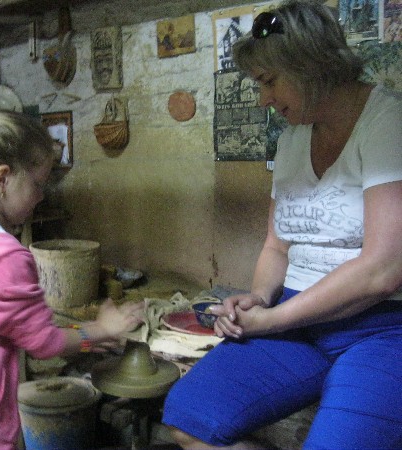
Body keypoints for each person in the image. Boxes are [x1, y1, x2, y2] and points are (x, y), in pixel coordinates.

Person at [162, 1, 402, 448]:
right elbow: (277, 246)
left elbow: (383, 270)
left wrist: (272, 321)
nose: (264, 99)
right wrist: (258, 297)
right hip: (296, 321)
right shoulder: (292, 139)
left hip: (379, 329)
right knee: (187, 417)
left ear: (310, 64)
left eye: (270, 81)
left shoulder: (388, 123)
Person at [0, 111, 144, 450]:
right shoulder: (5, 257)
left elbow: (15, 326)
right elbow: (44, 344)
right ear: (3, 178)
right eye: (38, 184)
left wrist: (87, 338)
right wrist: (102, 329)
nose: (41, 196)